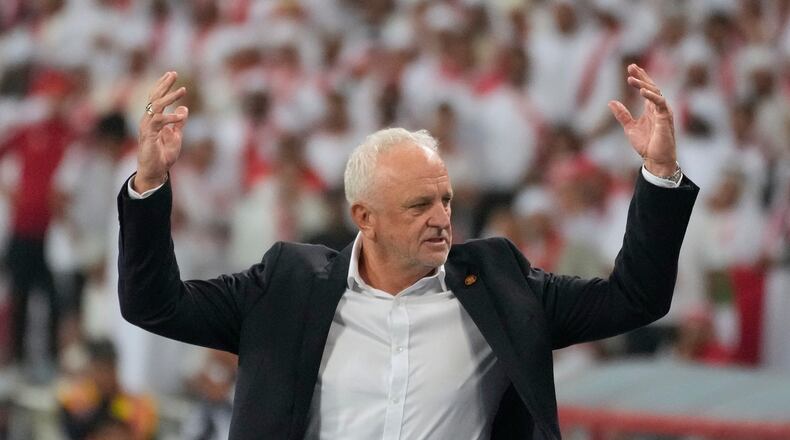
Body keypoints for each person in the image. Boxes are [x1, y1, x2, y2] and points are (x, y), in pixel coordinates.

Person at [117, 65, 698, 439]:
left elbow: (635, 298)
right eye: (419, 205)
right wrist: (148, 184)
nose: (443, 218)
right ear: (363, 217)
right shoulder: (285, 284)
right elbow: (154, 305)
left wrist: (660, 174)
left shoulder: (500, 282)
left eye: (446, 200)